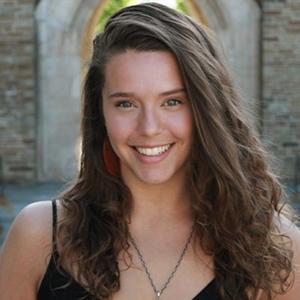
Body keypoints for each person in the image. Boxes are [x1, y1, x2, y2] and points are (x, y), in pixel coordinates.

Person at [0, 3, 299, 300]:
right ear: (100, 112)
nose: (149, 127)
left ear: (207, 109)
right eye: (126, 104)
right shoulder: (38, 237)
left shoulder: (275, 250)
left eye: (172, 101)